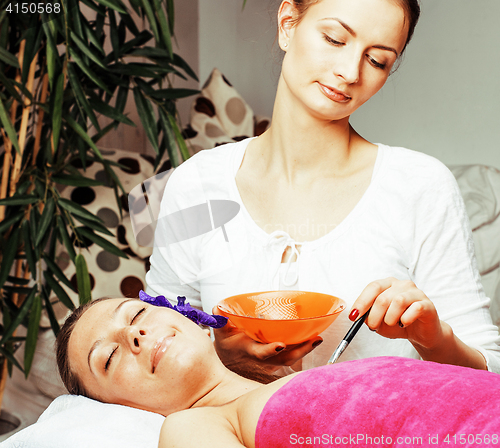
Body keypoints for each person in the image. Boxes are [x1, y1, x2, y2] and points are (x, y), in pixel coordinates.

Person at [145, 0, 500, 374]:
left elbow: (489, 370)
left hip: (373, 431)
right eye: (334, 39)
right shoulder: (198, 184)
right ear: (287, 24)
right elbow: (154, 339)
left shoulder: (420, 186)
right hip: (229, 429)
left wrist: (435, 339)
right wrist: (223, 355)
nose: (349, 72)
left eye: (377, 60)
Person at [57, 297, 500, 448]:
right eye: (109, 359)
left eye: (136, 314)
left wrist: (434, 336)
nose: (133, 336)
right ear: (118, 408)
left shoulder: (292, 381)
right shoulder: (192, 425)